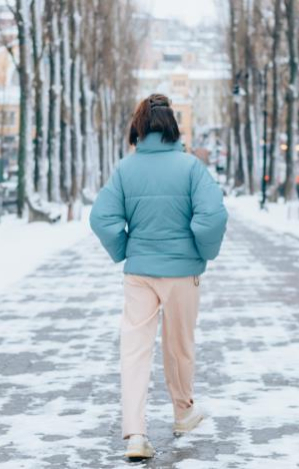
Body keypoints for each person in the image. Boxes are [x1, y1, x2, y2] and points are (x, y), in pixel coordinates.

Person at [90, 94, 228, 461]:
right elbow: (212, 217)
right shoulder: (191, 168)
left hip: (139, 274)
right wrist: (203, 251)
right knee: (178, 345)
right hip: (182, 273)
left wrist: (125, 249)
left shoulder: (125, 170)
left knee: (134, 350)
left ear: (138, 128)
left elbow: (100, 218)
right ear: (173, 128)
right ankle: (183, 412)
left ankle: (135, 433)